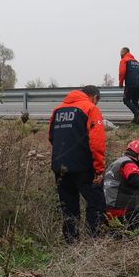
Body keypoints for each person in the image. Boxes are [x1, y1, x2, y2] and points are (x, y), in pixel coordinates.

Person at [49, 85, 106, 243]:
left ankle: (71, 243)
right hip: (84, 167)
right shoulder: (90, 108)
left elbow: (51, 137)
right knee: (96, 202)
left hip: (60, 168)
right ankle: (95, 241)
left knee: (68, 208)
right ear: (94, 98)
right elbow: (97, 142)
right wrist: (99, 170)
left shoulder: (57, 110)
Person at [104, 140, 139, 230]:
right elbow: (134, 178)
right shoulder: (128, 163)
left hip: (108, 214)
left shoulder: (115, 164)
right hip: (123, 213)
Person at [118, 47, 139, 123]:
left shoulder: (124, 60)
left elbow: (122, 72)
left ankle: (137, 113)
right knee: (135, 101)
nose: (120, 54)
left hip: (130, 84)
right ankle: (137, 120)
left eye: (121, 52)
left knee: (126, 100)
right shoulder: (136, 62)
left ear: (125, 52)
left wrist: (120, 83)